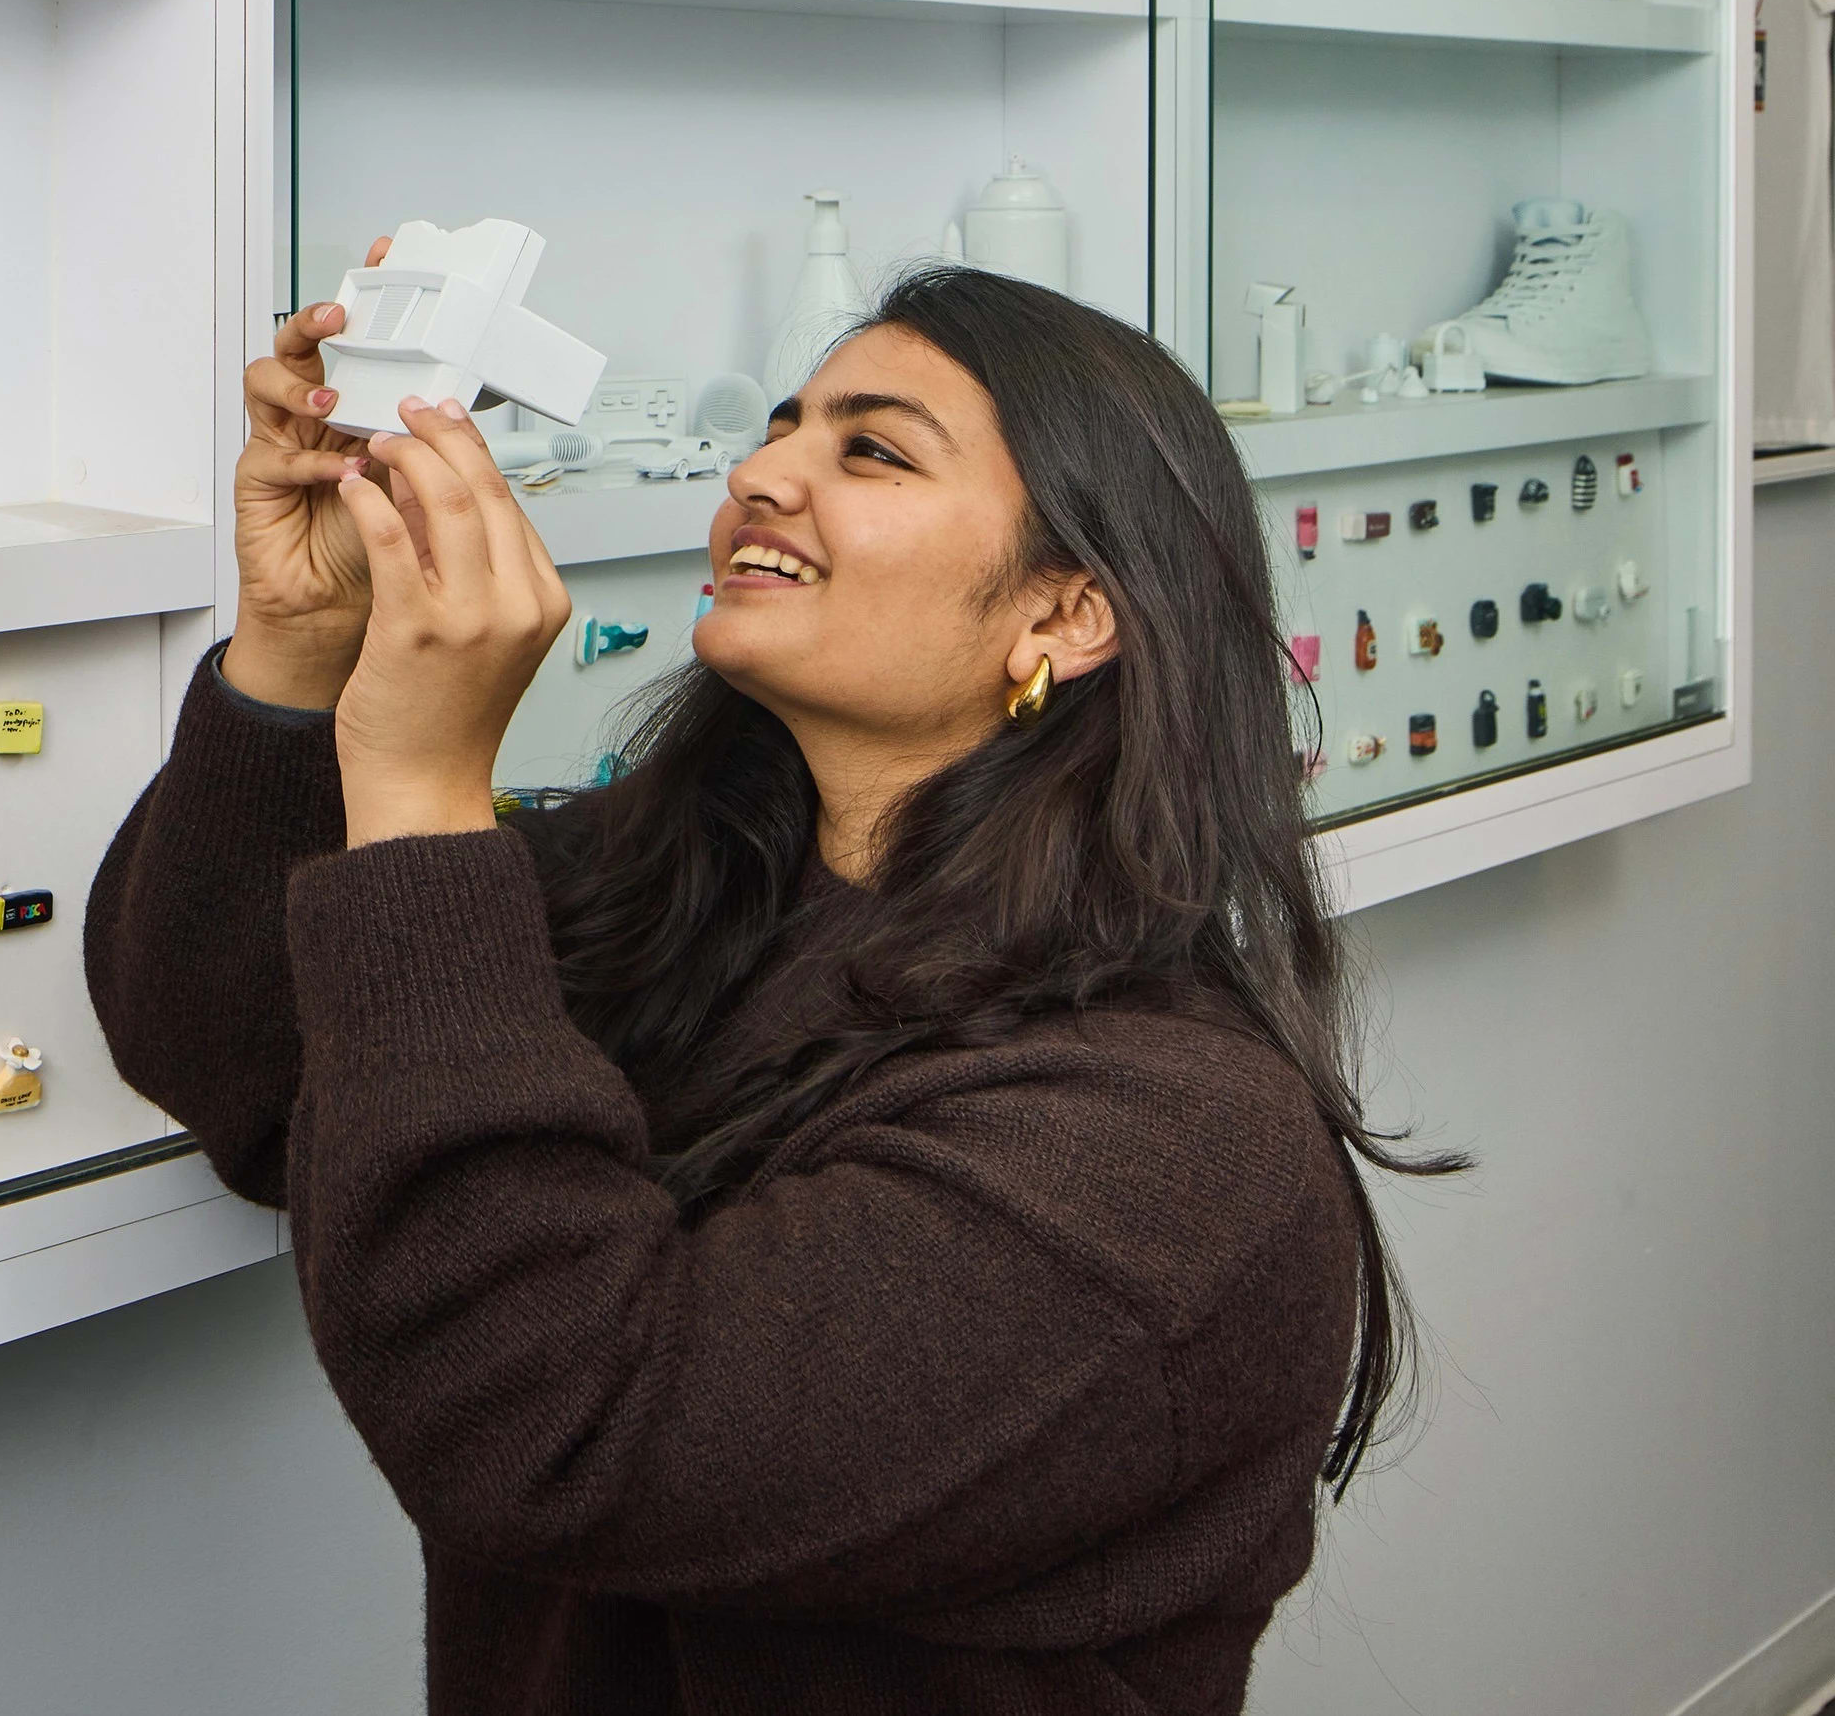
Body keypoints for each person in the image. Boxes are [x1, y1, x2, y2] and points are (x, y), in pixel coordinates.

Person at [87, 260, 1455, 1715]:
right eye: (785, 426)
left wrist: (424, 784)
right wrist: (299, 652)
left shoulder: (1170, 1142)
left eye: (869, 448)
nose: (762, 474)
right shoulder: (674, 894)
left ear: (1064, 615)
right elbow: (229, 1051)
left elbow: (557, 1425)